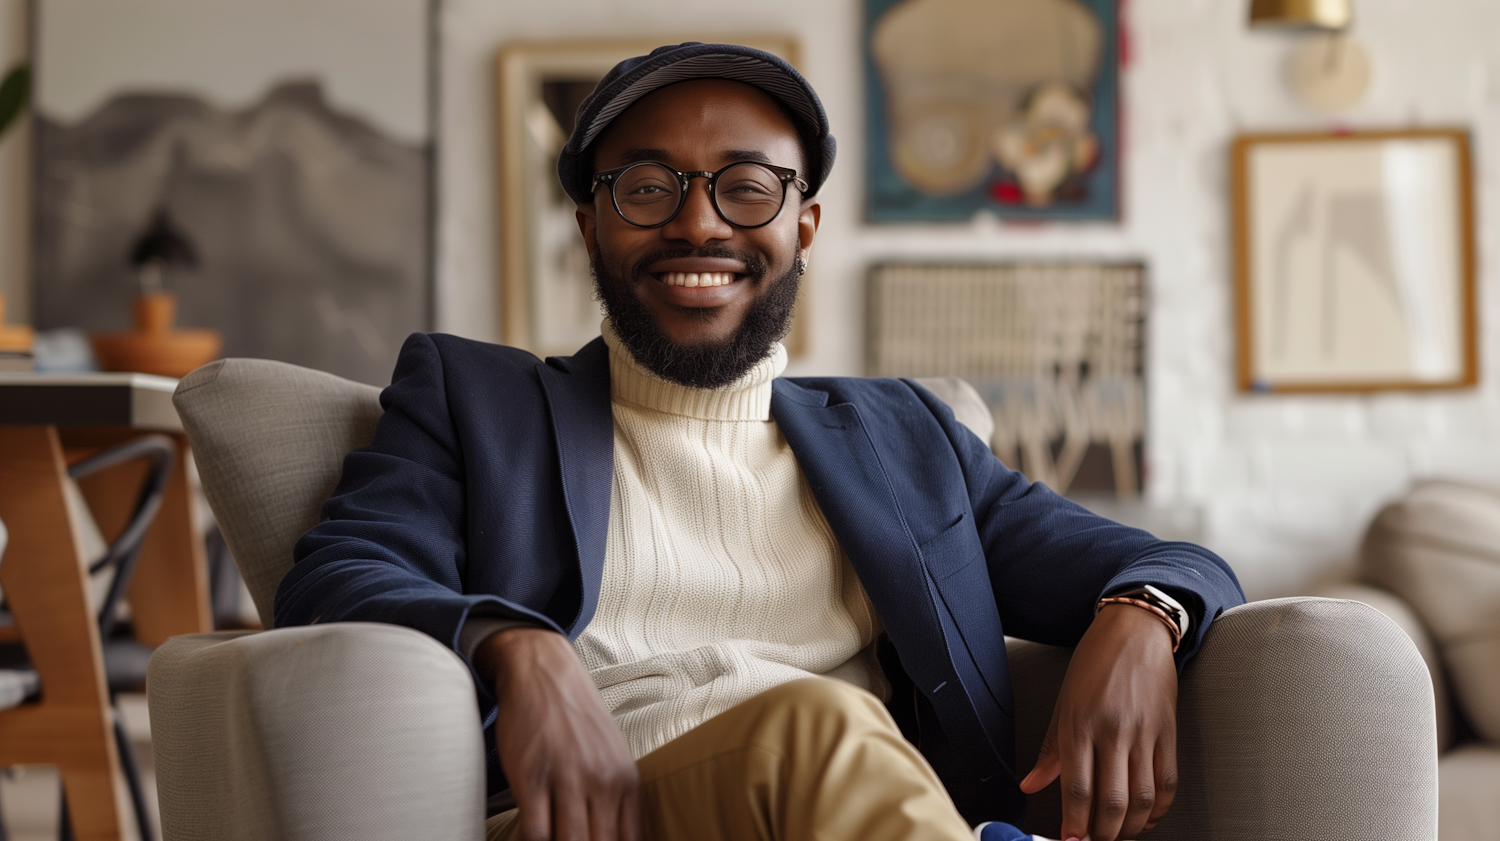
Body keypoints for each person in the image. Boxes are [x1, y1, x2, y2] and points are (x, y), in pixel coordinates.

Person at [276, 43, 1244, 841]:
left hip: (856, 810)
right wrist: (515, 645)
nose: (698, 223)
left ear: (804, 225)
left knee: (827, 734)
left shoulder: (904, 438)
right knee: (817, 727)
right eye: (648, 187)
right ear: (590, 224)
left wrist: (1142, 615)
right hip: (601, 811)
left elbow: (1162, 560)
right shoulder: (474, 399)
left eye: (747, 187)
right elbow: (339, 575)